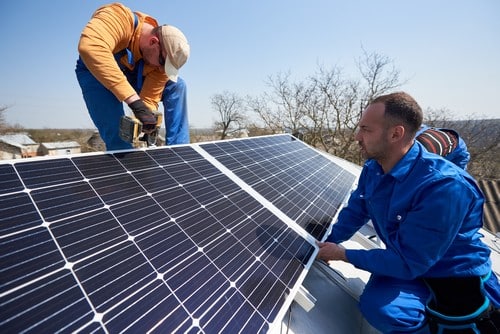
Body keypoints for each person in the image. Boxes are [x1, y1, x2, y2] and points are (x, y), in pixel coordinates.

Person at [317, 92, 500, 333]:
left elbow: (408, 262)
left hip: (450, 272)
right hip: (407, 260)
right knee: (379, 308)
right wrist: (326, 240)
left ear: (396, 134)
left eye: (366, 129)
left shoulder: (443, 187)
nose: (357, 137)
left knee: (388, 311)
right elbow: (357, 209)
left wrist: (343, 254)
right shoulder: (375, 166)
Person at [75, 3, 190, 151]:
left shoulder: (160, 63)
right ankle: (122, 155)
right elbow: (90, 47)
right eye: (162, 62)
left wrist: (146, 120)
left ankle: (179, 152)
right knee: (118, 138)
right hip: (96, 72)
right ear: (153, 42)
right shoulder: (118, 17)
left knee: (177, 85)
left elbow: (148, 99)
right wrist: (134, 101)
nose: (162, 69)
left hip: (132, 74)